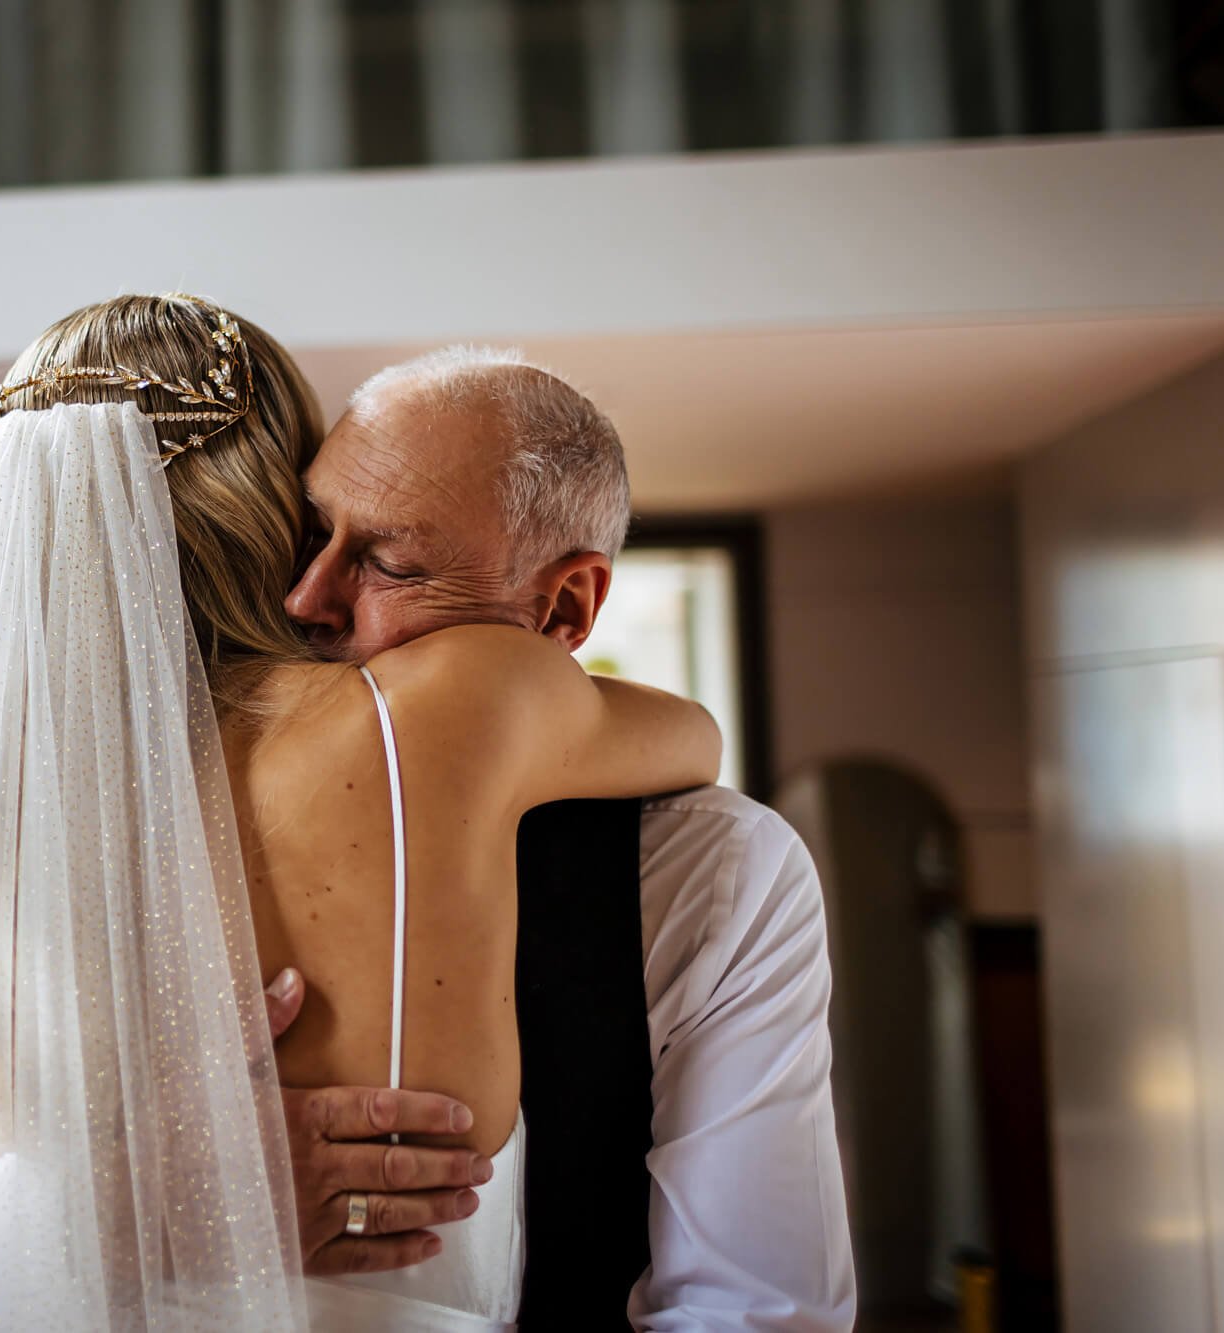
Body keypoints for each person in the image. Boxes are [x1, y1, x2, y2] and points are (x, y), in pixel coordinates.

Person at [0, 294, 721, 1330]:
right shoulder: (450, 707)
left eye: (376, 551)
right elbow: (690, 735)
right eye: (317, 522)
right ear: (270, 501)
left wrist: (123, 1193)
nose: (317, 583)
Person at [270, 347, 859, 1329]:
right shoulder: (177, 823)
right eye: (307, 538)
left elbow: (751, 1308)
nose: (304, 600)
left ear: (564, 607)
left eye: (387, 561)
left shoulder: (711, 871)